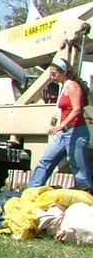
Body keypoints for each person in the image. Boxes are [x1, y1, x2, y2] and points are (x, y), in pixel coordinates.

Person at [29, 57, 92, 192]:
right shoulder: (63, 87)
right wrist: (54, 122)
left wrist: (60, 125)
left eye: (54, 74)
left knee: (78, 167)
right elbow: (61, 108)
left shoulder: (73, 86)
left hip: (76, 132)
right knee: (46, 160)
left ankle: (88, 195)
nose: (52, 78)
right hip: (64, 133)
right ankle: (32, 190)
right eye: (50, 75)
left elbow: (77, 109)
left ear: (64, 72)